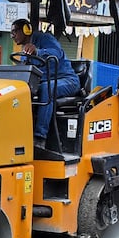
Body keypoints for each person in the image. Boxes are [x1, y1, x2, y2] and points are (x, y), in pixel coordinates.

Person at [10, 18, 80, 149]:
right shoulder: (24, 53)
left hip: (67, 80)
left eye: (15, 31)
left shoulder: (44, 39)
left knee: (46, 88)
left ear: (26, 29)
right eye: (11, 33)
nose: (12, 35)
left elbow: (57, 53)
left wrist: (38, 51)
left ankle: (39, 138)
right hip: (46, 82)